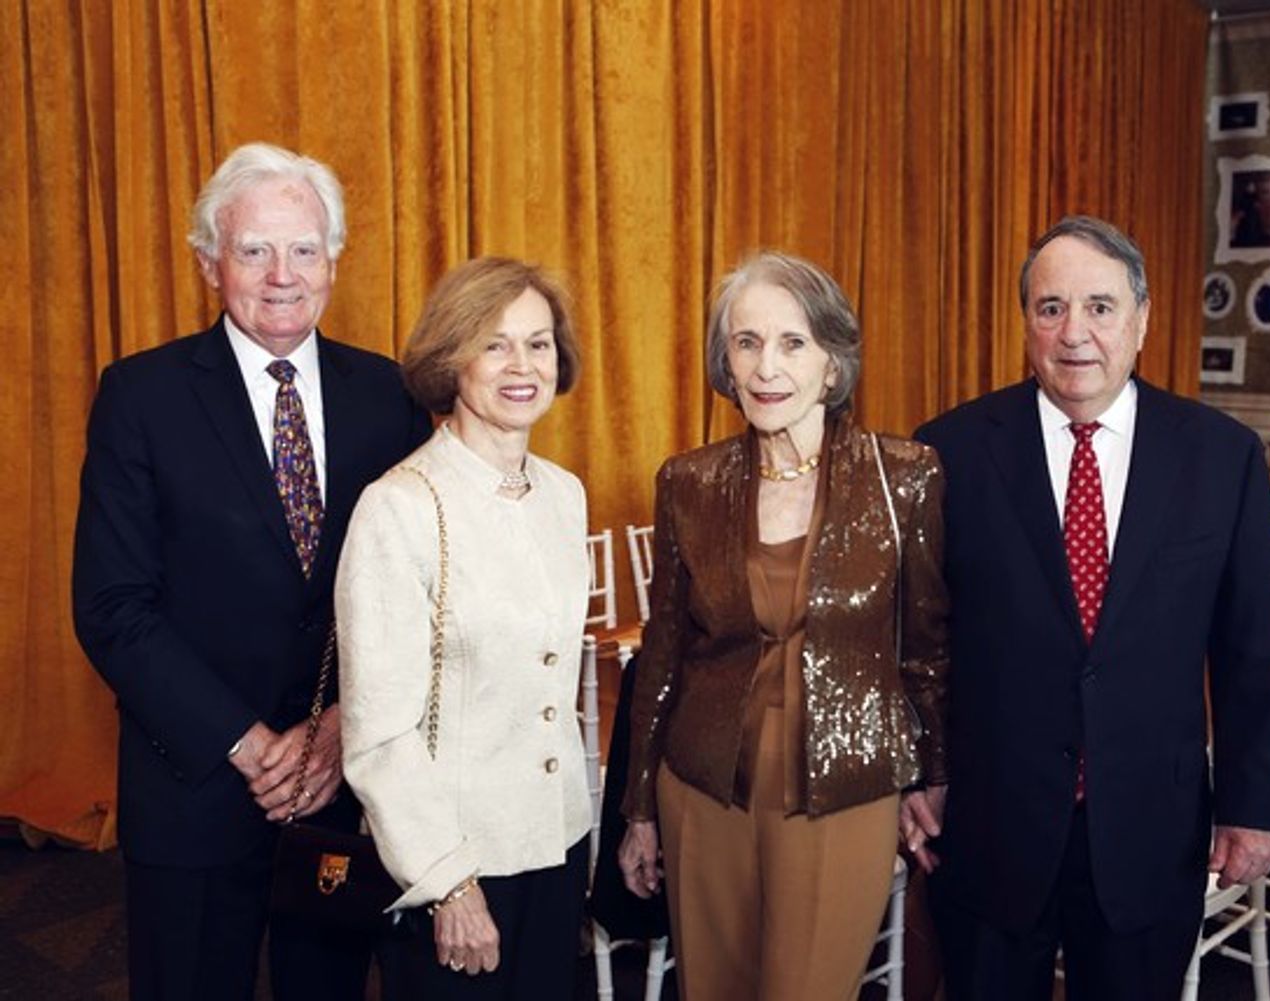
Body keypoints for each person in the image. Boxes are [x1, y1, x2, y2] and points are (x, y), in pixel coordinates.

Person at [72, 142, 431, 1001]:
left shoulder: (388, 395)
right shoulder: (141, 396)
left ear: (334, 262)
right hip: (193, 781)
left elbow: (424, 589)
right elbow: (114, 606)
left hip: (344, 784)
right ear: (208, 261)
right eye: (254, 249)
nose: (282, 275)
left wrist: (342, 725)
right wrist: (249, 742)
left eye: (304, 249)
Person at [911, 215, 1270, 1000]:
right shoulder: (947, 451)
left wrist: (1255, 808)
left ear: (1143, 318)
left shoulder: (1221, 457)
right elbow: (919, 635)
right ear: (1025, 324)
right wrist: (920, 771)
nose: (1074, 332)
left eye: (1100, 306)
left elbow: (1253, 649)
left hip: (1152, 829)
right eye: (1051, 308)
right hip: (989, 828)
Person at [618, 251, 951, 1001]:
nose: (768, 366)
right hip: (704, 789)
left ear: (833, 364)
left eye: (793, 342)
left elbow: (926, 647)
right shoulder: (688, 482)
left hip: (844, 790)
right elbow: (664, 653)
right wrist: (640, 807)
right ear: (726, 363)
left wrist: (933, 775)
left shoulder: (904, 475)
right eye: (747, 342)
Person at [336, 257, 592, 999]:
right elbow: (380, 733)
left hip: (555, 844)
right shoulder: (400, 507)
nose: (523, 366)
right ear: (451, 360)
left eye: (538, 344)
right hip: (457, 866)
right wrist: (447, 883)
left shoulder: (563, 495)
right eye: (496, 343)